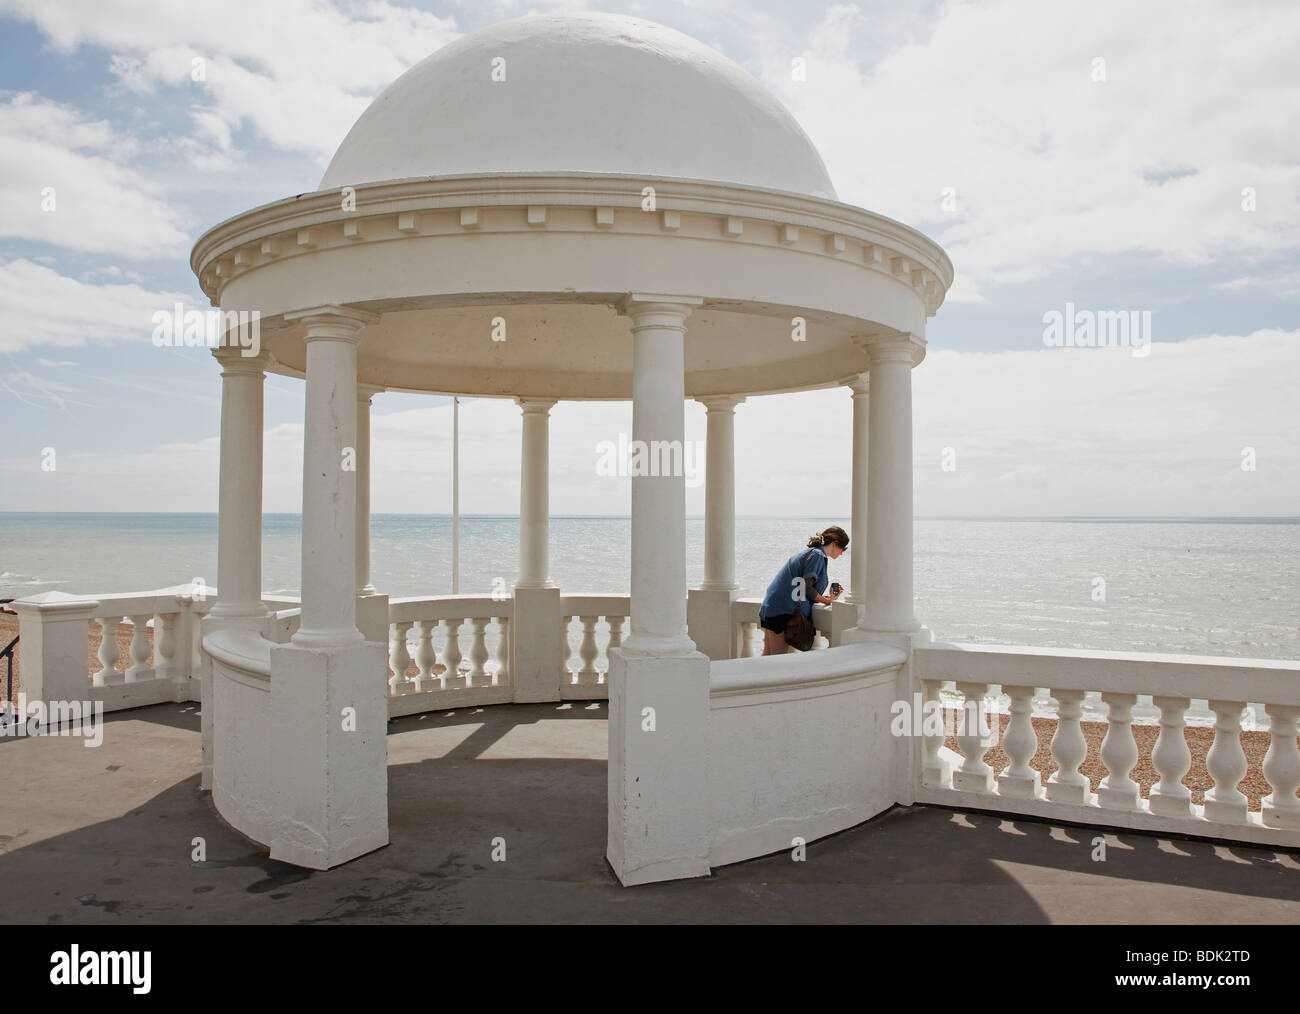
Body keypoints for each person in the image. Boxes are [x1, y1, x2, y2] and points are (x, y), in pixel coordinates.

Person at [758, 526, 848, 655]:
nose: (842, 553)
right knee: (777, 661)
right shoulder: (817, 555)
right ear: (835, 543)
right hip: (784, 612)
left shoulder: (811, 553)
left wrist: (827, 598)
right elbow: (806, 588)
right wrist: (827, 602)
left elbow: (802, 588)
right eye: (843, 549)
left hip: (773, 607)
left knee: (768, 657)